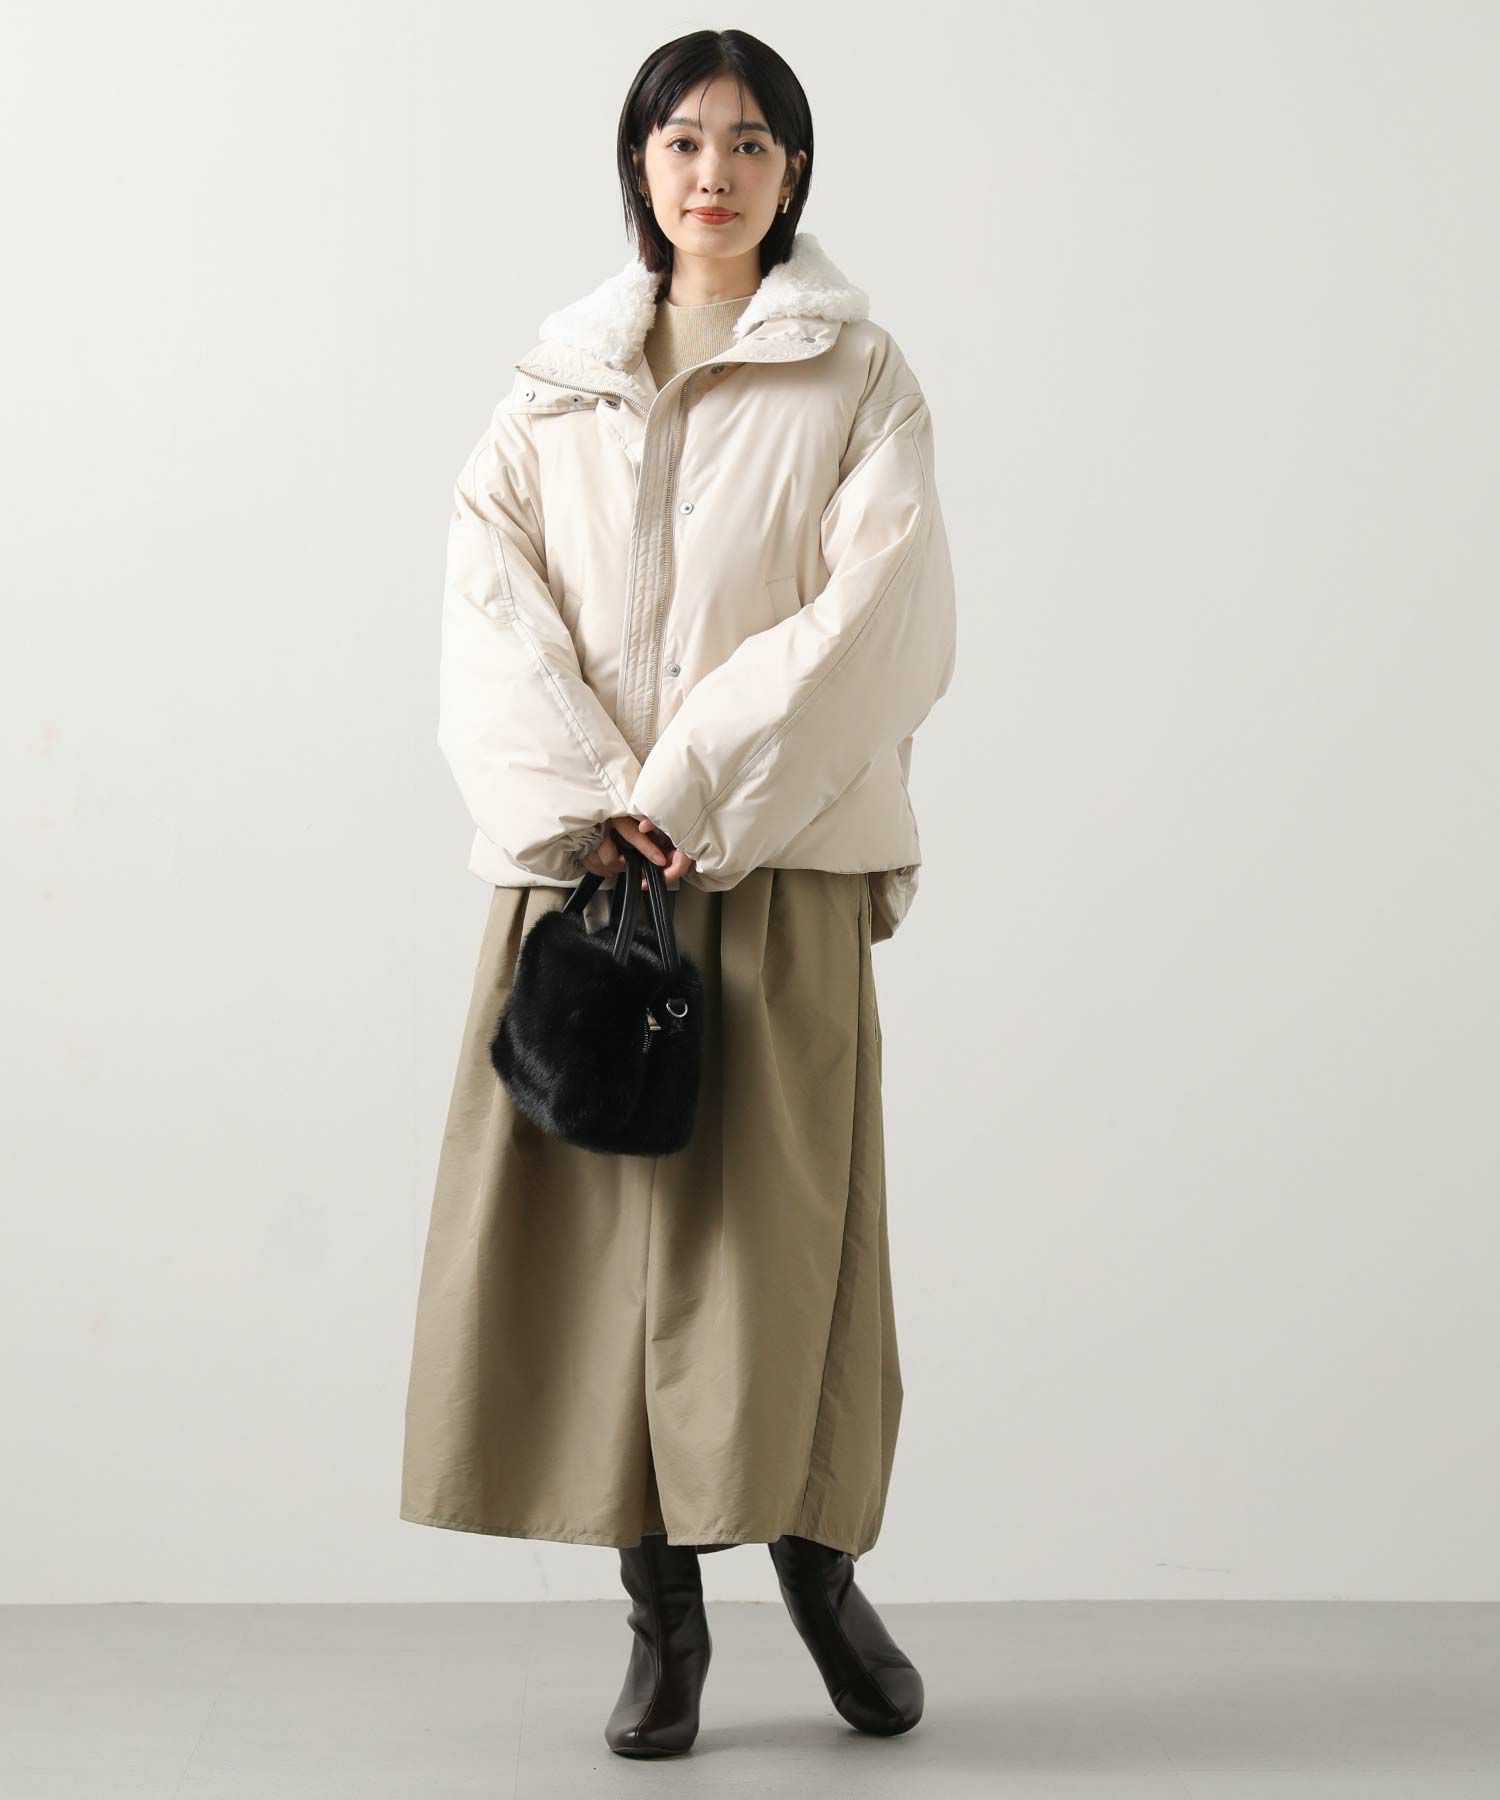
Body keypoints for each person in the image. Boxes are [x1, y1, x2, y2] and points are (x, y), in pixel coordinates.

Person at [400, 27, 958, 1758]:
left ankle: (820, 1575)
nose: (714, 171)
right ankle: (664, 1624)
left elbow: (878, 620)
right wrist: (592, 805)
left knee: (782, 1253)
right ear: (639, 164)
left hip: (770, 869)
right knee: (602, 1269)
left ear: (795, 171)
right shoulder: (553, 385)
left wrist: (682, 790)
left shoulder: (860, 378)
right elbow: (488, 606)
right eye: (682, 138)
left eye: (751, 141)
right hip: (588, 890)